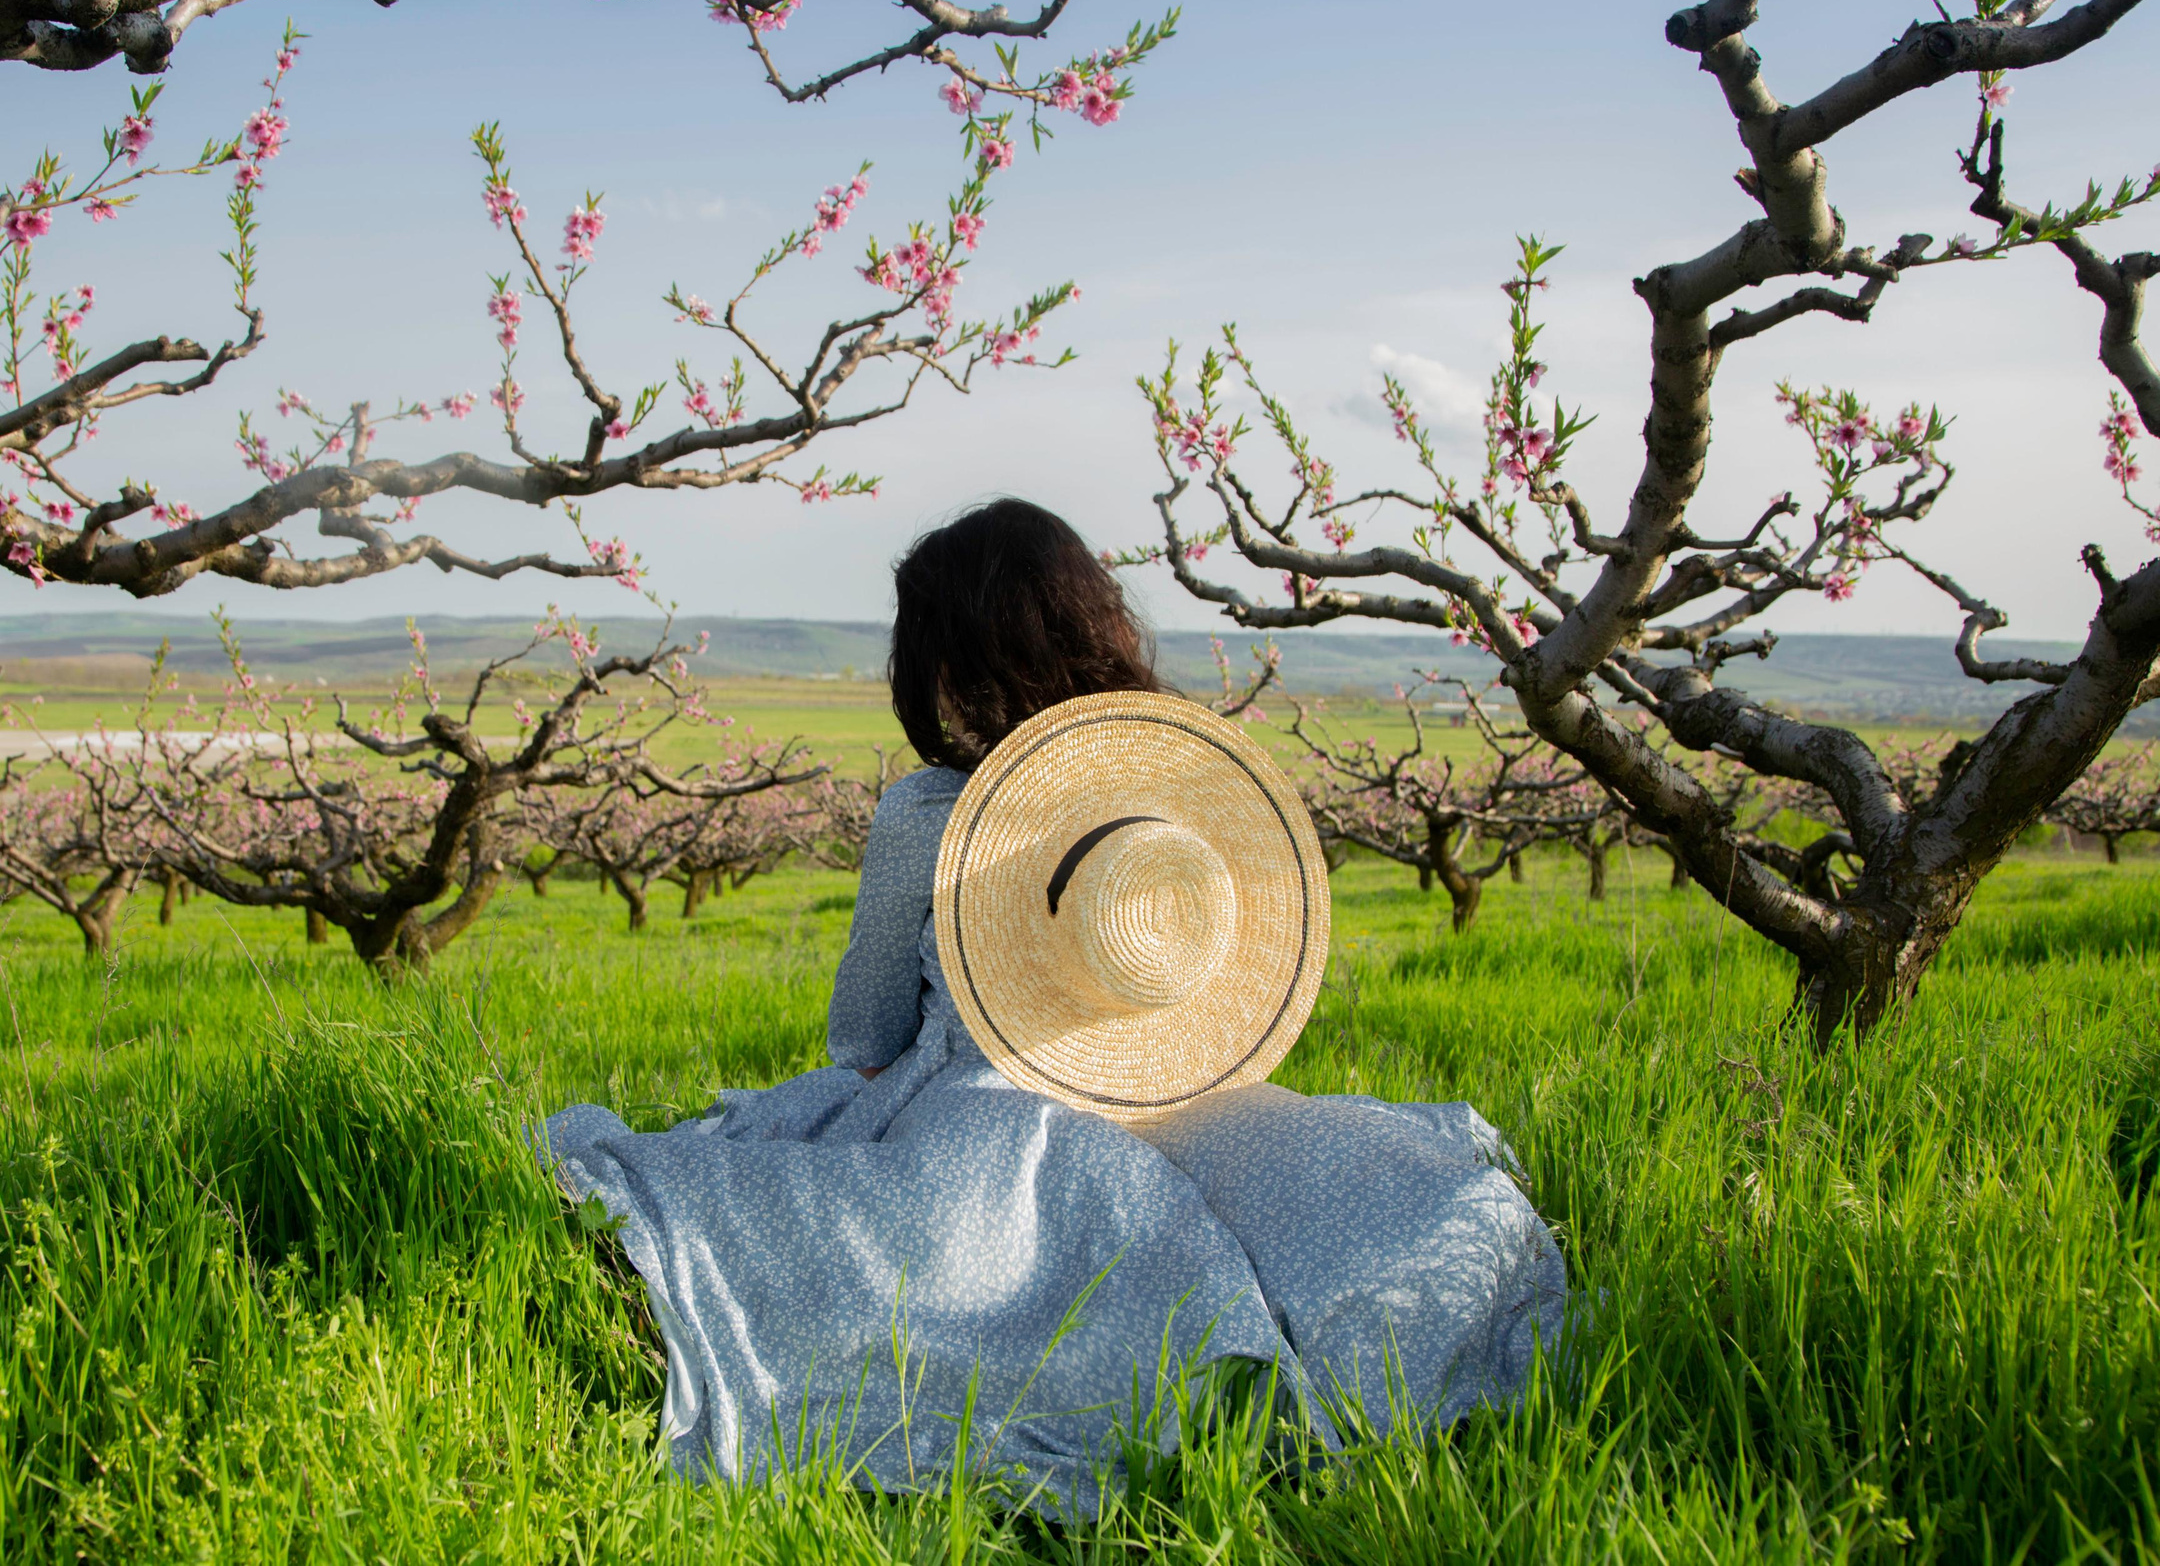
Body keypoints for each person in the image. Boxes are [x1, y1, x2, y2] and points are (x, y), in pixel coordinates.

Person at [542, 497, 1566, 1512]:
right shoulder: (1180, 783)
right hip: (1186, 1096)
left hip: (993, 1107)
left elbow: (864, 1034)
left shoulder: (929, 810)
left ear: (947, 656)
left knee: (883, 1245)